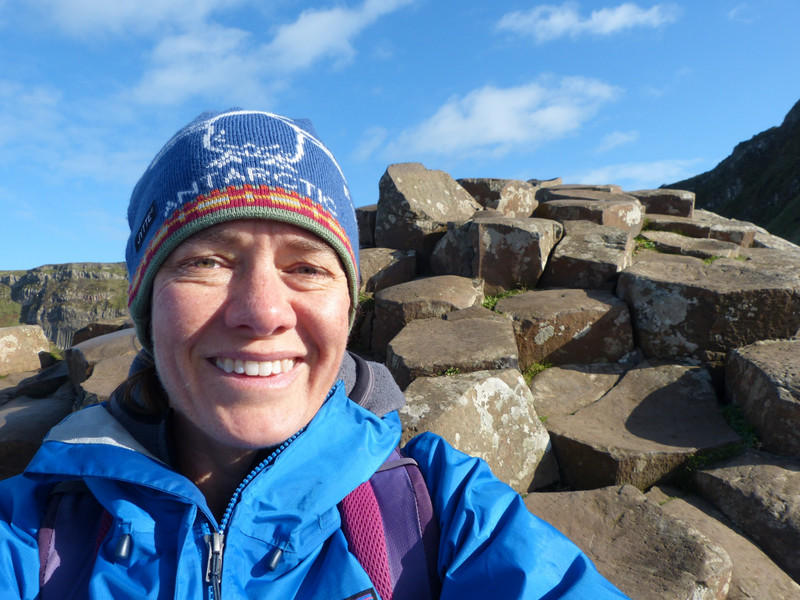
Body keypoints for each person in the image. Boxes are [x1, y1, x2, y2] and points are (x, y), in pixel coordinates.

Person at [0, 109, 628, 599]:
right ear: (147, 304)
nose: (263, 311)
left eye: (305, 267)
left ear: (348, 309)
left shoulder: (446, 513)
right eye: (207, 261)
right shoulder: (36, 529)